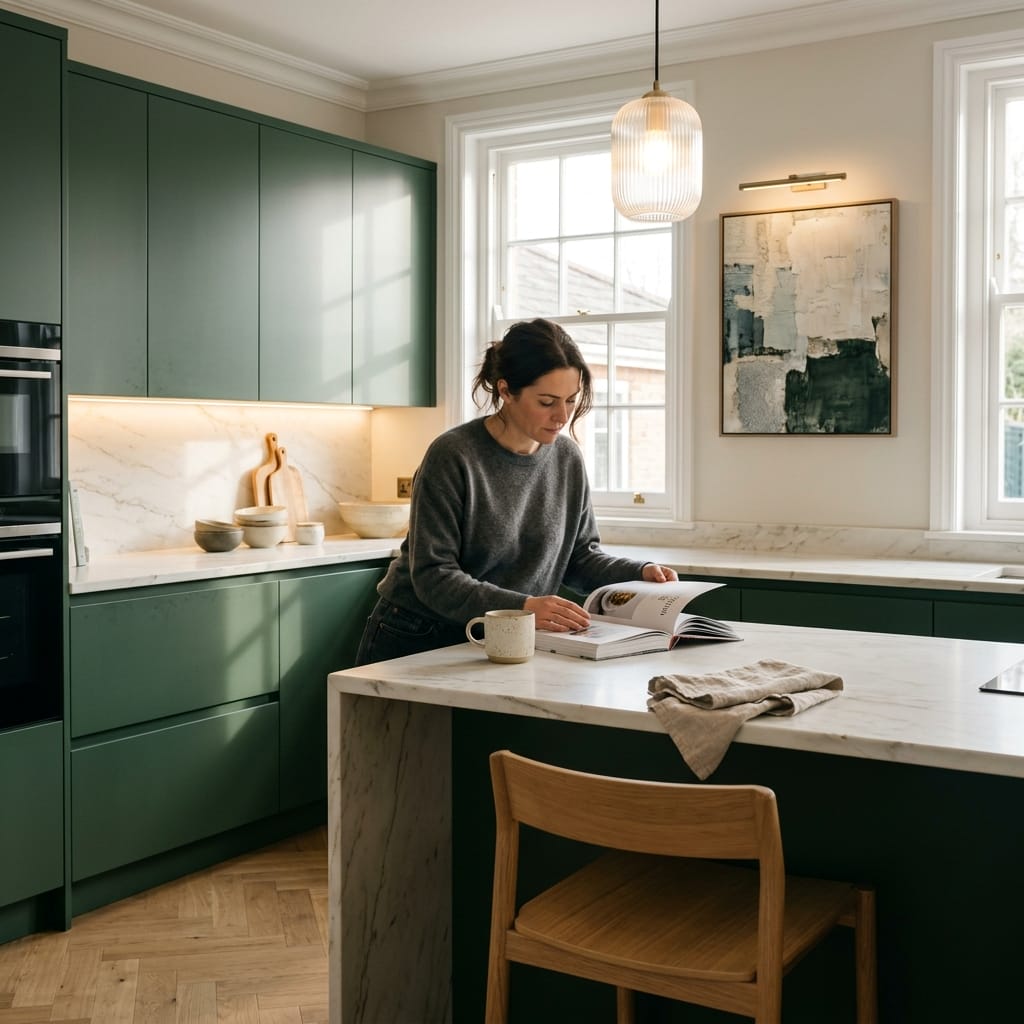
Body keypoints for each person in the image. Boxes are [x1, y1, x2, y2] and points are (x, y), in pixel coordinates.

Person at [354, 318, 678, 666]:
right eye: (547, 401)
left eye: (571, 400)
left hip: (507, 636)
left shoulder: (566, 458)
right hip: (417, 634)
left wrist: (639, 572)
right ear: (506, 391)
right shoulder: (453, 456)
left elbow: (579, 558)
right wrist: (524, 607)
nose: (562, 415)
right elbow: (433, 575)